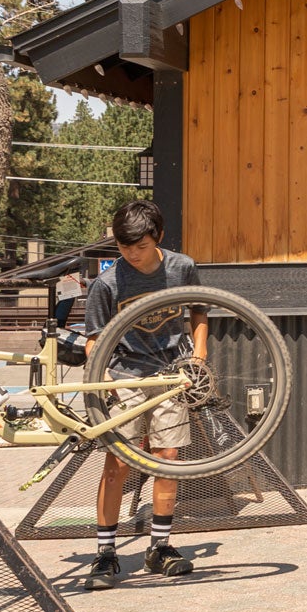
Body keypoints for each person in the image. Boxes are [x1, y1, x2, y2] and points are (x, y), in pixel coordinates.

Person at [80, 200, 207, 589]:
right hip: (125, 374)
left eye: (140, 246)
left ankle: (160, 547)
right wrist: (109, 383)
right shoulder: (109, 283)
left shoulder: (180, 267)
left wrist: (199, 355)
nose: (131, 254)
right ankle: (105, 553)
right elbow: (94, 341)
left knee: (167, 458)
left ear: (159, 239)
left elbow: (200, 311)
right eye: (123, 247)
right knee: (118, 463)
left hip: (172, 373)